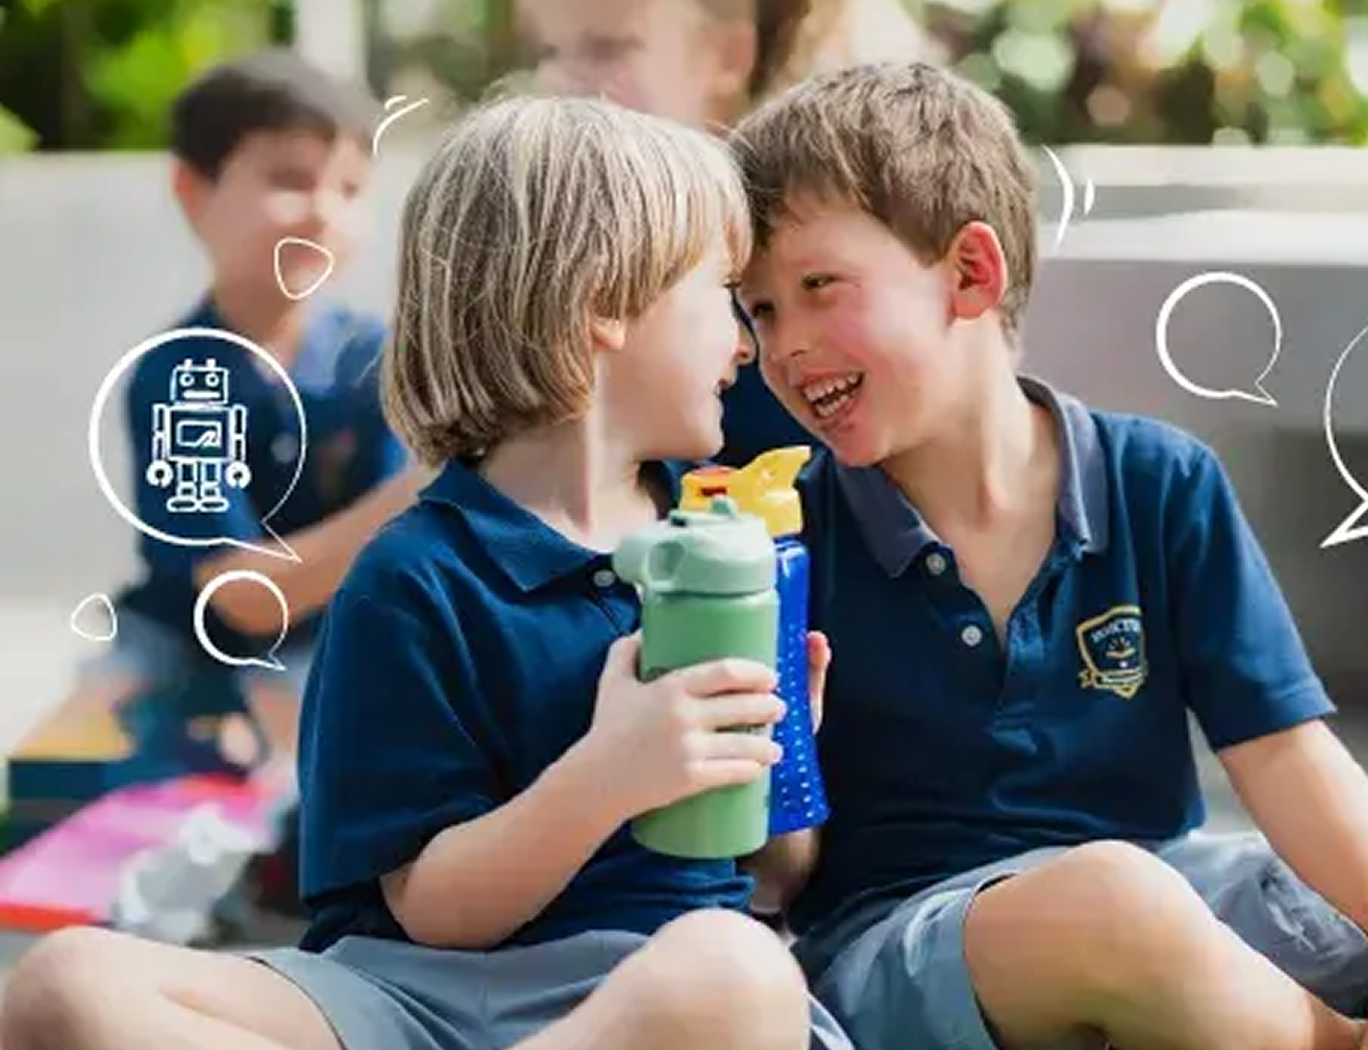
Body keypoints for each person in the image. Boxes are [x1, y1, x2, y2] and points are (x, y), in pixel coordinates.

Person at [728, 61, 1368, 1050]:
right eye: (761, 310)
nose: (786, 346)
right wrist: (773, 762)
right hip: (918, 943)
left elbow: (1282, 754)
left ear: (970, 275)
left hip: (1175, 901)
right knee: (1117, 897)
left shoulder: (1159, 481)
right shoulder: (780, 540)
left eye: (818, 288)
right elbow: (781, 876)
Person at [1, 95, 854, 1050]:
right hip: (411, 997)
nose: (746, 338)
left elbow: (775, 878)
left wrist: (785, 756)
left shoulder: (726, 534)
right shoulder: (414, 579)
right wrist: (611, 772)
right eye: (721, 291)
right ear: (607, 301)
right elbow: (434, 914)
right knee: (63, 987)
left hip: (642, 983)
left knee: (739, 971)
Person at [87, 49, 420, 783]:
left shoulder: (379, 357)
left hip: (329, 642)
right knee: (84, 742)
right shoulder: (181, 376)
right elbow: (241, 599)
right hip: (183, 646)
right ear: (192, 190)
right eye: (289, 181)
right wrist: (416, 494)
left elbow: (400, 565)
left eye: (350, 188)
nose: (324, 211)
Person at [518, 0, 928, 468]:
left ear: (727, 57)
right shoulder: (558, 256)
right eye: (549, 53)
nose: (556, 83)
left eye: (607, 50)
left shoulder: (793, 247)